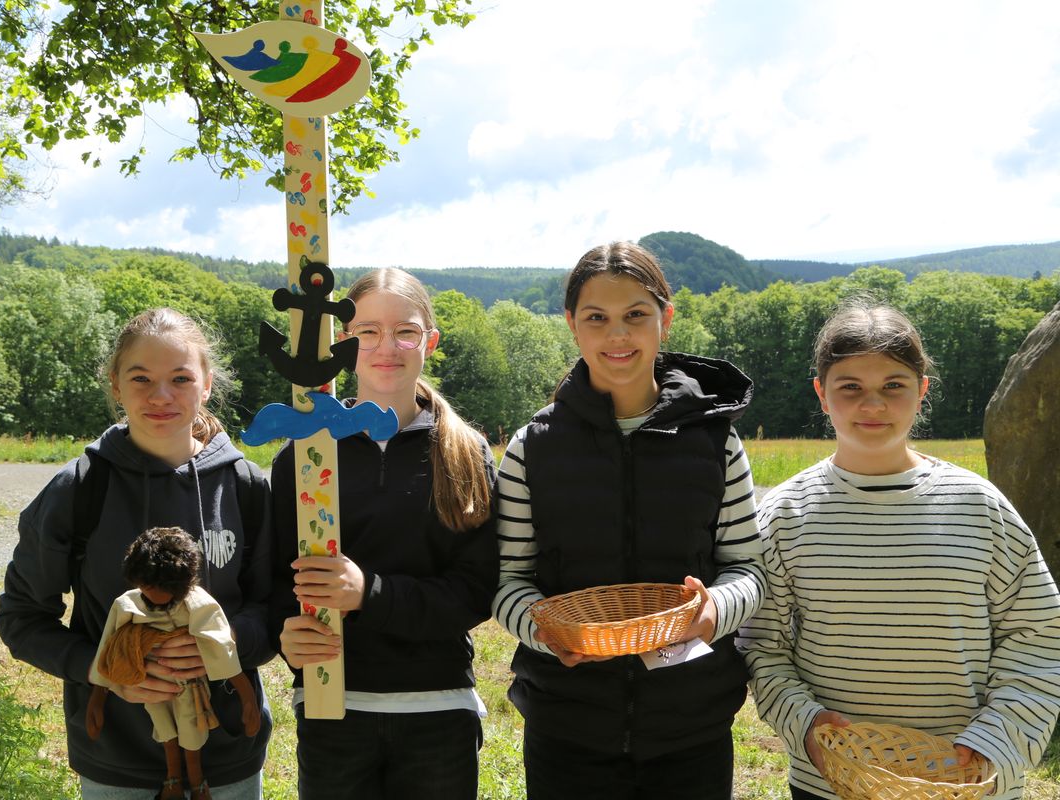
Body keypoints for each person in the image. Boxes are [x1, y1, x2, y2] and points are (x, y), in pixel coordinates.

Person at [736, 302, 1060, 800]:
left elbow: (1037, 635)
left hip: (965, 782)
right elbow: (763, 647)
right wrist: (807, 725)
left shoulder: (979, 507)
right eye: (851, 387)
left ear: (921, 390)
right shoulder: (784, 515)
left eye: (893, 385)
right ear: (822, 393)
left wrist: (995, 740)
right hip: (832, 782)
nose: (874, 405)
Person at [493, 241, 767, 799]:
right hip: (567, 725)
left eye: (635, 316)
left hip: (690, 727)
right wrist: (545, 632)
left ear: (664, 320)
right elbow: (506, 583)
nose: (617, 336)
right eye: (597, 318)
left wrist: (713, 609)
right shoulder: (532, 447)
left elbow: (749, 570)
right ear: (572, 326)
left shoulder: (717, 441)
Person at [0, 307, 275, 799]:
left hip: (230, 754)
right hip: (115, 761)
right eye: (140, 377)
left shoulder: (246, 487)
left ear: (206, 384)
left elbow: (277, 608)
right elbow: (21, 619)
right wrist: (105, 669)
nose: (160, 395)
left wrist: (228, 641)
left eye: (180, 378)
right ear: (115, 384)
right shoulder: (78, 489)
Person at [271, 267, 498, 800]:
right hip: (332, 707)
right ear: (343, 342)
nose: (386, 347)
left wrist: (369, 593)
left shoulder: (463, 452)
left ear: (430, 342)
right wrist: (287, 634)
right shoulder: (307, 453)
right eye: (367, 331)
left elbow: (477, 591)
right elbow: (277, 579)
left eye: (406, 331)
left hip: (437, 709)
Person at [86, 526, 262, 800]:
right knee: (165, 729)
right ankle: (173, 781)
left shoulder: (198, 605)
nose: (152, 596)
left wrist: (247, 697)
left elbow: (220, 644)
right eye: (145, 588)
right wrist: (98, 694)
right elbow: (109, 647)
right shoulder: (128, 605)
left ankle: (197, 781)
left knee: (191, 730)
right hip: (147, 683)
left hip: (188, 684)